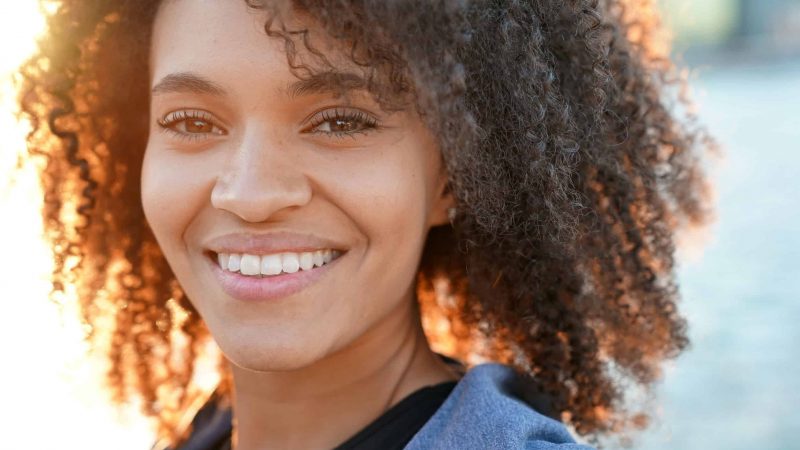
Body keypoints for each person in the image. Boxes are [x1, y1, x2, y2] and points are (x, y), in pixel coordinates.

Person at [18, 0, 714, 449]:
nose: (253, 193)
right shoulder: (204, 434)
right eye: (192, 122)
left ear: (454, 176)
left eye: (339, 121)